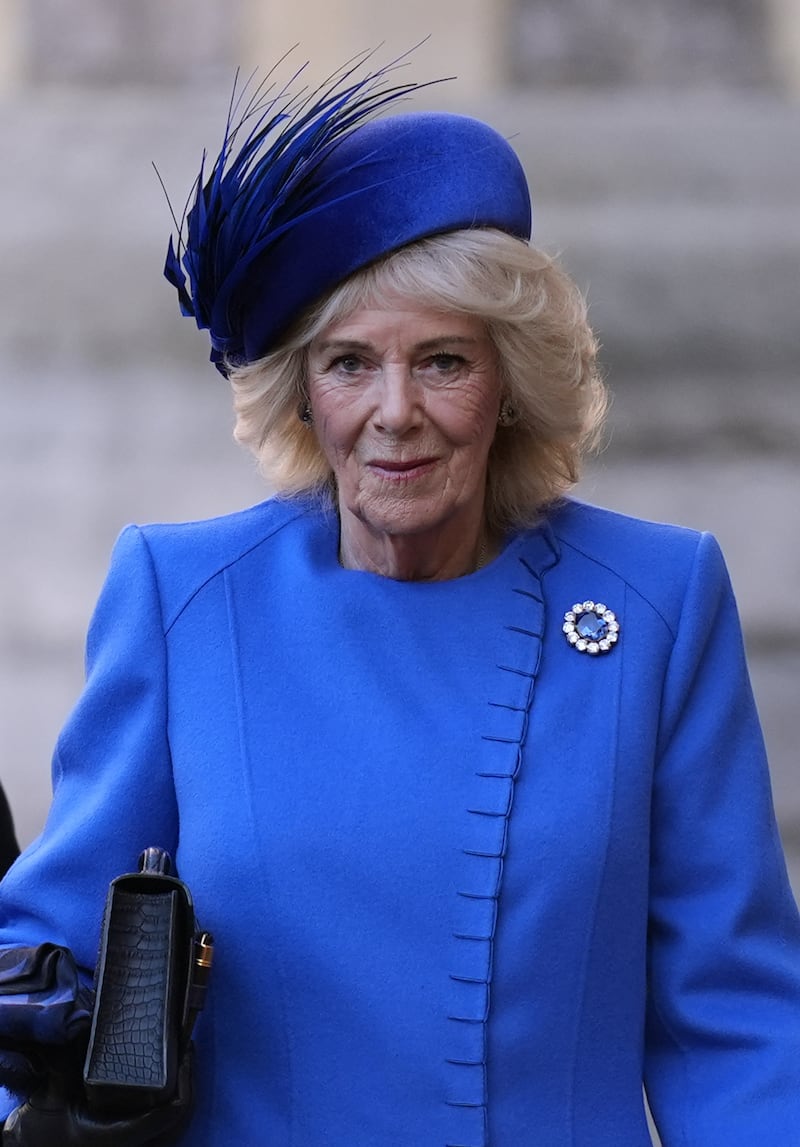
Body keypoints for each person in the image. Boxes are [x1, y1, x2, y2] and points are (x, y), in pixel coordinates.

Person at [1, 50, 799, 1147]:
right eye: (347, 365)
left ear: (509, 383)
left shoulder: (656, 603)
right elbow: (44, 969)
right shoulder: (182, 600)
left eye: (442, 361)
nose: (395, 412)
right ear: (300, 394)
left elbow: (738, 1023)